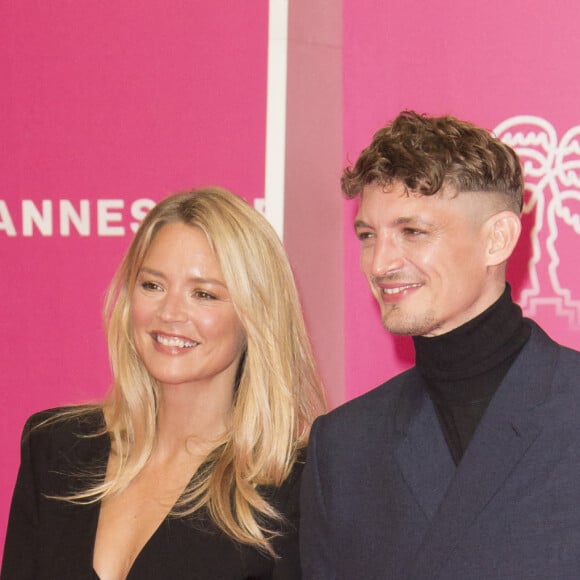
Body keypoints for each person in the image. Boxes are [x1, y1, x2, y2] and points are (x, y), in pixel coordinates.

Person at [300, 110, 580, 579]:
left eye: (413, 232)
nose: (380, 263)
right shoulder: (344, 447)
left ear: (497, 239)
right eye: (369, 236)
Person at [2, 186, 325, 579]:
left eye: (203, 294)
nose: (170, 312)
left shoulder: (295, 485)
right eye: (152, 285)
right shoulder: (53, 447)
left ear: (254, 316)